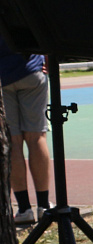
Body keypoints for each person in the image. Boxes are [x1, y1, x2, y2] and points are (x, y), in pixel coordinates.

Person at [0, 36, 51, 224]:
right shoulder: (19, 5)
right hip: (31, 71)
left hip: (3, 77)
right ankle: (44, 206)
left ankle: (23, 208)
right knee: (37, 136)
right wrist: (47, 59)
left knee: (13, 142)